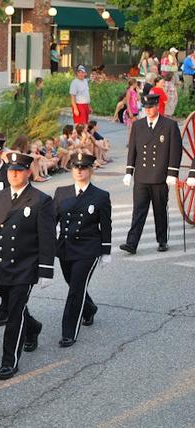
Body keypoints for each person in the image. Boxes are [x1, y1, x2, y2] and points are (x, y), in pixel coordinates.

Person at [0, 153, 55, 380]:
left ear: (28, 172)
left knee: (14, 312)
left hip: (26, 265)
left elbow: (47, 237)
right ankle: (33, 328)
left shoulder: (40, 200)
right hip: (3, 264)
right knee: (10, 305)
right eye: (11, 170)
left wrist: (45, 270)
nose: (14, 173)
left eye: (19, 170)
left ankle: (9, 361)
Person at [53, 153, 111, 347]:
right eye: (76, 167)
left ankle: (69, 332)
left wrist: (106, 251)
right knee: (73, 284)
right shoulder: (61, 192)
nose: (79, 170)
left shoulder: (101, 196)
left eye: (83, 167)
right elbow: (51, 222)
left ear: (90, 170)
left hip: (88, 249)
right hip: (65, 248)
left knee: (76, 289)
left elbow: (106, 225)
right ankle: (89, 309)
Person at [121, 93, 182, 254]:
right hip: (141, 176)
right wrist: (129, 171)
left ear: (157, 106)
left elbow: (176, 151)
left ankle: (162, 240)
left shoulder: (169, 125)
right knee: (138, 211)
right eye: (146, 107)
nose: (148, 110)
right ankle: (131, 243)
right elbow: (133, 150)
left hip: (160, 176)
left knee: (160, 210)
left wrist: (172, 173)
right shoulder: (138, 125)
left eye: (151, 107)